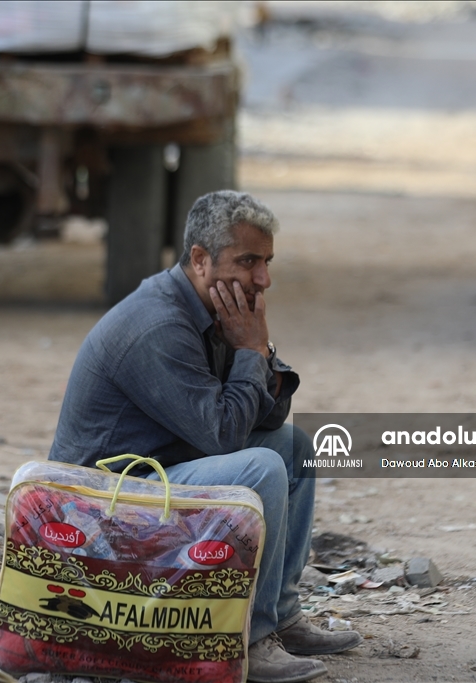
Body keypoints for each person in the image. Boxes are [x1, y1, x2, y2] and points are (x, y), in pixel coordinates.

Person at [49, 190, 362, 682]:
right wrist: (252, 352)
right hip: (100, 506)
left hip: (159, 469)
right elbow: (224, 438)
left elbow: (266, 418)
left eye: (267, 261)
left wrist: (257, 351)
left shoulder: (215, 309)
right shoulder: (158, 324)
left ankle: (282, 615)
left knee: (295, 447)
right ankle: (252, 641)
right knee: (263, 466)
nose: (264, 278)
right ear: (199, 259)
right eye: (249, 261)